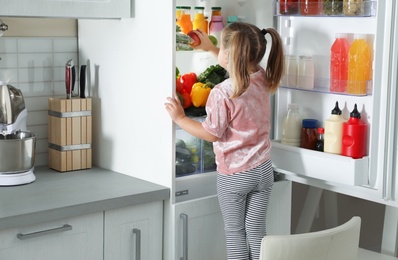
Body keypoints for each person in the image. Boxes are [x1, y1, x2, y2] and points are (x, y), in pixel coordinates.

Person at [165, 22, 284, 260]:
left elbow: (211, 133)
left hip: (235, 176)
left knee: (235, 233)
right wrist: (211, 48)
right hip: (263, 170)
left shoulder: (221, 92)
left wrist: (180, 118)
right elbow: (236, 62)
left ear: (229, 55)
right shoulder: (261, 76)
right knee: (256, 231)